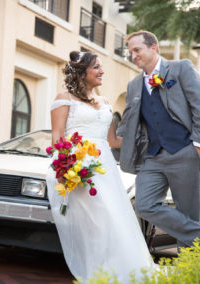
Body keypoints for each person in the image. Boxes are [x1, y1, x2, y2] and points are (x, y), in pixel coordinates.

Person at [46, 51, 157, 283]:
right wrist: (64, 171)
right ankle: (97, 273)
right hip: (77, 170)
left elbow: (113, 140)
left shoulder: (106, 102)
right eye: (96, 67)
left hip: (104, 168)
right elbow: (57, 139)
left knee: (112, 220)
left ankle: (115, 272)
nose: (101, 71)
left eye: (101, 67)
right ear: (82, 71)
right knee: (94, 223)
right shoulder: (64, 98)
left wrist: (148, 137)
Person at [116, 30, 200, 249]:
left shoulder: (180, 68)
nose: (133, 55)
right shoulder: (134, 85)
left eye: (137, 50)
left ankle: (191, 272)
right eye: (131, 52)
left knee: (188, 212)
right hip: (152, 156)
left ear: (153, 47)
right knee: (145, 205)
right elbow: (129, 121)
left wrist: (198, 144)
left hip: (185, 151)